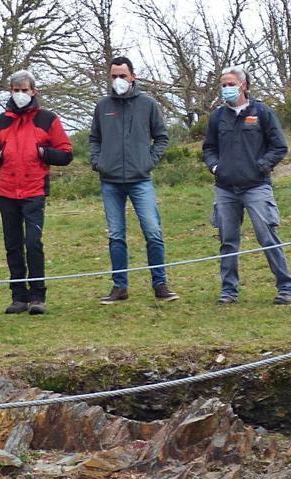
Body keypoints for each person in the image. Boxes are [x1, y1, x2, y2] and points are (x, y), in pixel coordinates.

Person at [89, 56, 179, 305]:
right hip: (110, 181)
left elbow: (161, 137)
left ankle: (160, 284)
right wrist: (98, 161)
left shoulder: (148, 104)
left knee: (153, 231)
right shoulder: (102, 106)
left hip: (141, 179)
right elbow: (94, 138)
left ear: (133, 76)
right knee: (116, 235)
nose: (118, 80)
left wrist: (148, 161)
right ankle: (120, 286)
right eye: (114, 76)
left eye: (122, 75)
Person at [0, 70, 73, 316]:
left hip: (34, 190)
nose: (20, 94)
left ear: (33, 92)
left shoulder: (48, 119)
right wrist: (0, 155)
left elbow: (66, 153)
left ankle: (37, 296)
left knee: (33, 242)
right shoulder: (1, 121)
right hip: (7, 191)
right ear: (10, 92)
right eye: (16, 90)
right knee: (12, 245)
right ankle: (18, 297)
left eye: (25, 90)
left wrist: (44, 152)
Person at [202, 66, 291, 305]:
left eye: (230, 84)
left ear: (243, 85)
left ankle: (285, 287)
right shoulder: (217, 117)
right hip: (225, 188)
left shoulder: (262, 112)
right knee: (228, 240)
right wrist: (215, 167)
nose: (226, 89)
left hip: (256, 186)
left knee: (267, 236)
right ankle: (228, 290)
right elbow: (209, 148)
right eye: (222, 85)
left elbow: (279, 146)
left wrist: (262, 165)